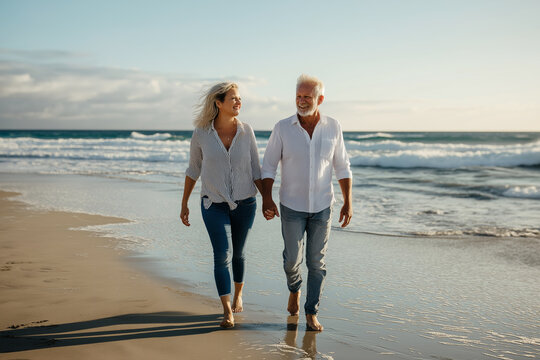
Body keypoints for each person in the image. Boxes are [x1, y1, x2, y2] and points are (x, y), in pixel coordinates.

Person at [261, 74, 352, 331]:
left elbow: (342, 166)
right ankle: (294, 288)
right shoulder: (282, 127)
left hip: (323, 206)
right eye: (298, 96)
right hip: (291, 206)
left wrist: (348, 201)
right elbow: (268, 166)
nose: (301, 101)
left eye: (307, 97)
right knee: (292, 260)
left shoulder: (333, 126)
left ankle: (311, 312)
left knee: (316, 262)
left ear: (320, 99)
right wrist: (267, 199)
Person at [180, 82, 263, 329]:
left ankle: (238, 293)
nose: (238, 102)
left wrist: (268, 199)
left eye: (239, 99)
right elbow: (193, 169)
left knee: (238, 253)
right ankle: (227, 310)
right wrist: (184, 203)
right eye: (233, 99)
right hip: (212, 204)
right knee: (222, 254)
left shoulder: (247, 131)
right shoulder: (201, 133)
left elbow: (256, 169)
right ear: (218, 103)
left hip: (245, 202)